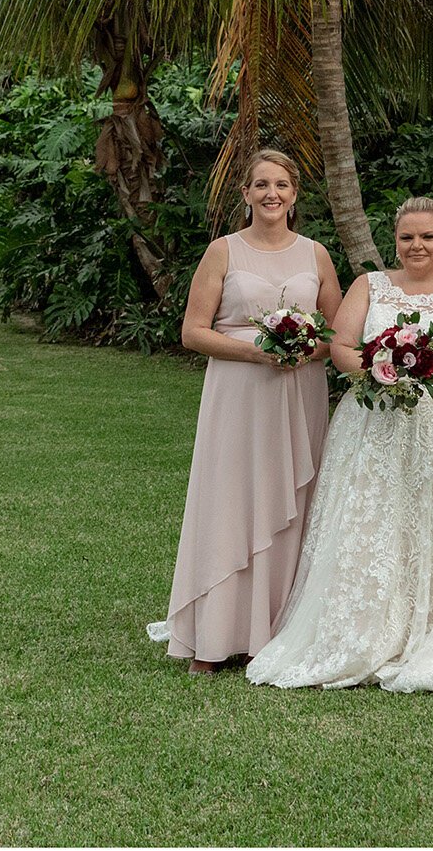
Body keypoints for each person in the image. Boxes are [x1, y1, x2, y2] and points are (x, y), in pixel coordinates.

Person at [247, 197, 433, 692]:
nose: (416, 246)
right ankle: (362, 629)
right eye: (407, 237)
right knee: (373, 522)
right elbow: (340, 345)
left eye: (427, 237)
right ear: (395, 242)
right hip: (373, 423)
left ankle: (432, 628)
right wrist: (381, 372)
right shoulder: (369, 285)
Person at [147, 149, 341, 674]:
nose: (271, 194)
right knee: (229, 499)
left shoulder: (316, 255)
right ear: (246, 195)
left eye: (281, 184)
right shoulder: (223, 252)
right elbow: (193, 332)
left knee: (293, 503)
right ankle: (210, 637)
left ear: (295, 194)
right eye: (261, 185)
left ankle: (275, 636)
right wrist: (259, 351)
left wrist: (304, 347)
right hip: (237, 393)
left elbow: (338, 334)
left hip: (298, 394)